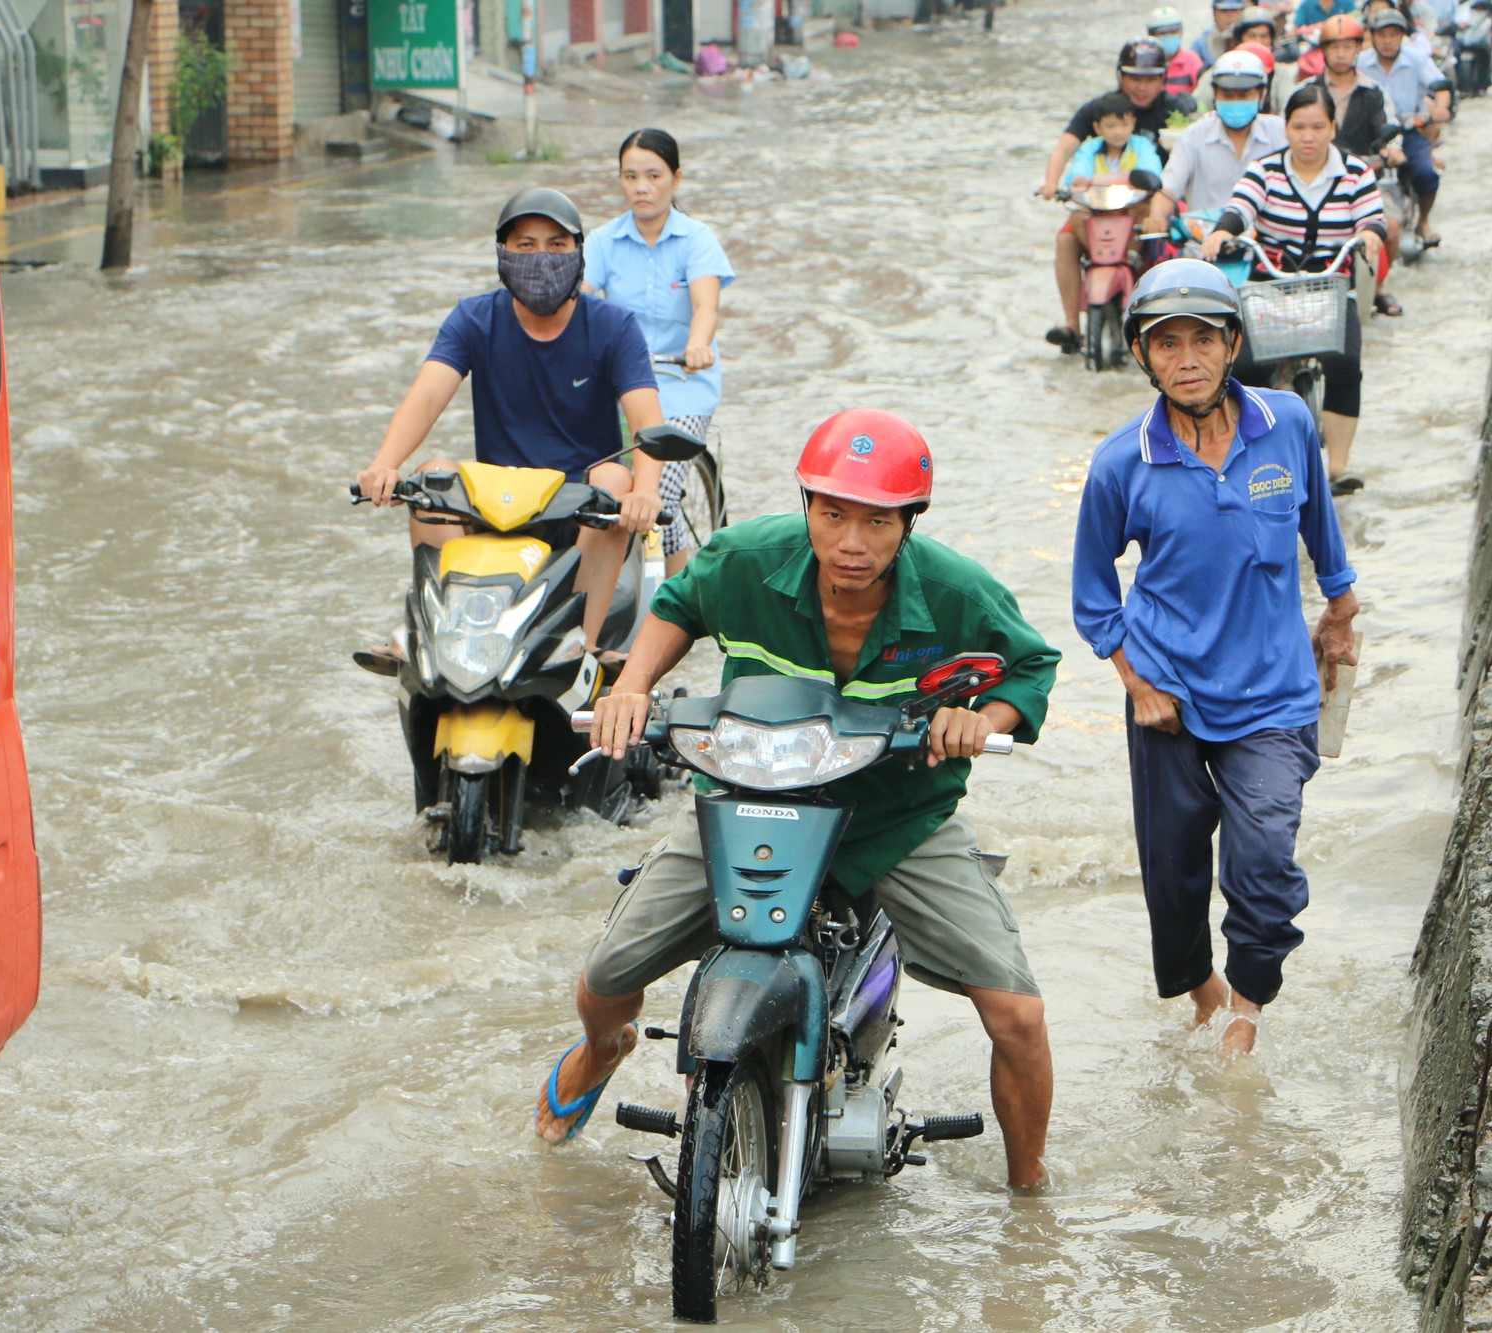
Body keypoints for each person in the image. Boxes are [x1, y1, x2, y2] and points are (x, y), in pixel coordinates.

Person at [533, 410, 1061, 1189]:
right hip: (746, 798)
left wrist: (981, 720)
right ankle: (602, 1051)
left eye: (878, 520)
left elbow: (1030, 665)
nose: (852, 541)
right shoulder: (747, 558)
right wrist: (631, 686)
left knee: (1017, 1014)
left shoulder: (956, 591)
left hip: (893, 818)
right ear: (806, 504)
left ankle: (1031, 1188)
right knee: (606, 974)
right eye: (832, 513)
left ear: (908, 521)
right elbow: (679, 605)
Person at [1071, 259, 1359, 1061]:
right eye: (1167, 344)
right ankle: (1201, 991)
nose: (1187, 358)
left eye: (1203, 339)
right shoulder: (1121, 463)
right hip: (1170, 689)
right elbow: (1094, 595)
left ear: (1234, 343)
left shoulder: (1288, 422)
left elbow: (1320, 526)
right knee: (1171, 872)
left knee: (1264, 854)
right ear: (1142, 355)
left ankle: (1248, 1005)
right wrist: (1135, 682)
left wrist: (1339, 607)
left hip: (1273, 691)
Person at [356, 188, 666, 658]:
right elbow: (427, 395)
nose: (542, 258)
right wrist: (384, 464)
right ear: (503, 255)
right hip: (495, 509)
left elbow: (647, 421)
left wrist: (645, 491)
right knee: (433, 473)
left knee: (615, 477)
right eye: (526, 245)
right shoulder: (474, 319)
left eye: (557, 245)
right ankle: (436, 634)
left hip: (580, 510)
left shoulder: (613, 326)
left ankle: (587, 645)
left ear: (579, 253)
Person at [1204, 83, 1386, 493]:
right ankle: (1256, 456)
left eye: (1318, 127)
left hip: (1332, 285)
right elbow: (1240, 207)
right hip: (1271, 286)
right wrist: (1221, 232)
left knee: (1345, 364)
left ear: (1332, 128)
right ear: (1285, 129)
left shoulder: (1355, 172)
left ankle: (1338, 465)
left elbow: (1372, 217)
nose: (1309, 136)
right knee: (1245, 367)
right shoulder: (1265, 170)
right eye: (1300, 127)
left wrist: (1371, 234)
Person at [584, 128, 736, 575]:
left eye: (653, 175)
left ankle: (674, 608)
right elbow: (579, 300)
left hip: (680, 381)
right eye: (630, 177)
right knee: (590, 485)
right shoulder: (602, 241)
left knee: (659, 496)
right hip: (618, 384)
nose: (641, 187)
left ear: (676, 178)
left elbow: (705, 306)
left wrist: (697, 344)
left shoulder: (697, 239)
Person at [1042, 39, 1195, 350]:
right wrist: (1051, 183)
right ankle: (1073, 325)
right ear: (1120, 76)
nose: (1142, 86)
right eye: (1134, 77)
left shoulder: (1175, 110)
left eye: (1150, 78)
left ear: (1163, 78)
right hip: (1099, 208)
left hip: (1152, 204)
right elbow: (1065, 149)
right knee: (1065, 239)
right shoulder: (1097, 110)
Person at [1298, 14, 1407, 314]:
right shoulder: (1308, 91)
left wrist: (1391, 151)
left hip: (1367, 176)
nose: (1341, 53)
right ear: (1323, 50)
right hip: (1313, 174)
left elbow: (1389, 128)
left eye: (1348, 46)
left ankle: (1379, 286)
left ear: (1359, 48)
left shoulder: (1373, 91)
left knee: (1392, 226)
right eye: (1335, 47)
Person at [1143, 50, 1288, 228]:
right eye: (1227, 95)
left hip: (1263, 249)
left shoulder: (1281, 133)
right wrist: (1157, 216)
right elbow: (1169, 188)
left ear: (1261, 93)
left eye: (1243, 95)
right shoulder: (1193, 137)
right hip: (1202, 245)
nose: (1235, 102)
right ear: (1215, 93)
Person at [1360, 9, 1450, 245]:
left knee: (1426, 173)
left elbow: (1440, 84)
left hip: (1407, 132)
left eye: (1393, 34)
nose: (1387, 40)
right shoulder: (1360, 63)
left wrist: (1440, 108)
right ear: (1373, 36)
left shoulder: (1416, 59)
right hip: (1370, 135)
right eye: (1382, 35)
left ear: (1402, 36)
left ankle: (1423, 221)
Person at [1148, 5, 1207, 97]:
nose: (1167, 37)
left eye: (1172, 32)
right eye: (1162, 33)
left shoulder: (1192, 60)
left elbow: (1203, 93)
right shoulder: (1146, 63)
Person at [1196, 0, 1250, 66]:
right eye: (1224, 11)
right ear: (1215, 13)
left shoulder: (1249, 38)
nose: (1229, 15)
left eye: (1234, 11)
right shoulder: (1202, 43)